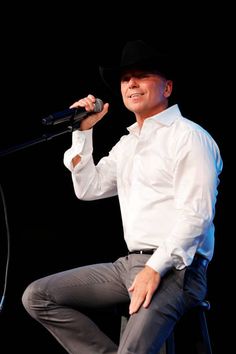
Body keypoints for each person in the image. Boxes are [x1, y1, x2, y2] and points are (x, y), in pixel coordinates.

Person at [22, 40, 223, 354]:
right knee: (37, 296)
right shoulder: (128, 144)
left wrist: (154, 270)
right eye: (125, 78)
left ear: (167, 87)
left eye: (142, 76)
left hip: (178, 269)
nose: (131, 83)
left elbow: (196, 217)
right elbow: (88, 188)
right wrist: (83, 132)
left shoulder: (190, 138)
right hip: (130, 264)